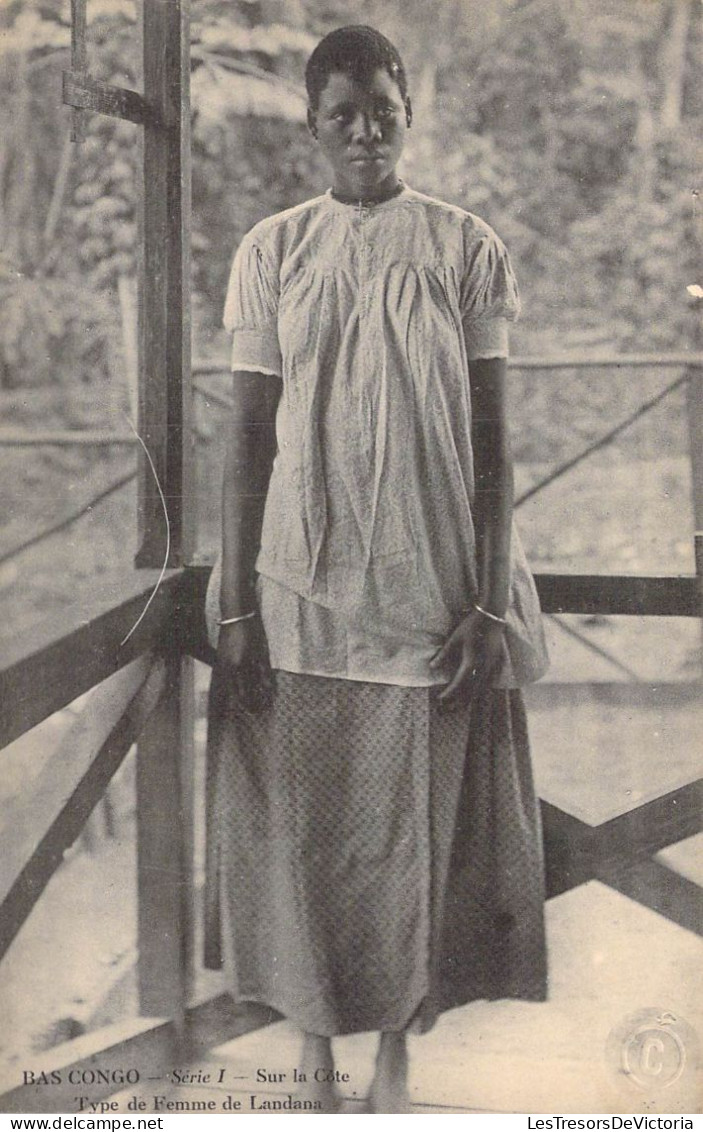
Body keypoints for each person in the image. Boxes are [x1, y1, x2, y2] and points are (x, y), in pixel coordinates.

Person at [204, 25, 549, 1114]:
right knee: (306, 829)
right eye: (341, 111)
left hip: (429, 586)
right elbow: (244, 437)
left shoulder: (465, 246)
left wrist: (488, 599)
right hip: (301, 584)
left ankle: (398, 1050)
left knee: (412, 836)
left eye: (381, 110)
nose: (363, 130)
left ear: (409, 112)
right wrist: (233, 597)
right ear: (311, 121)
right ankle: (310, 1043)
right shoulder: (273, 249)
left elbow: (492, 442)